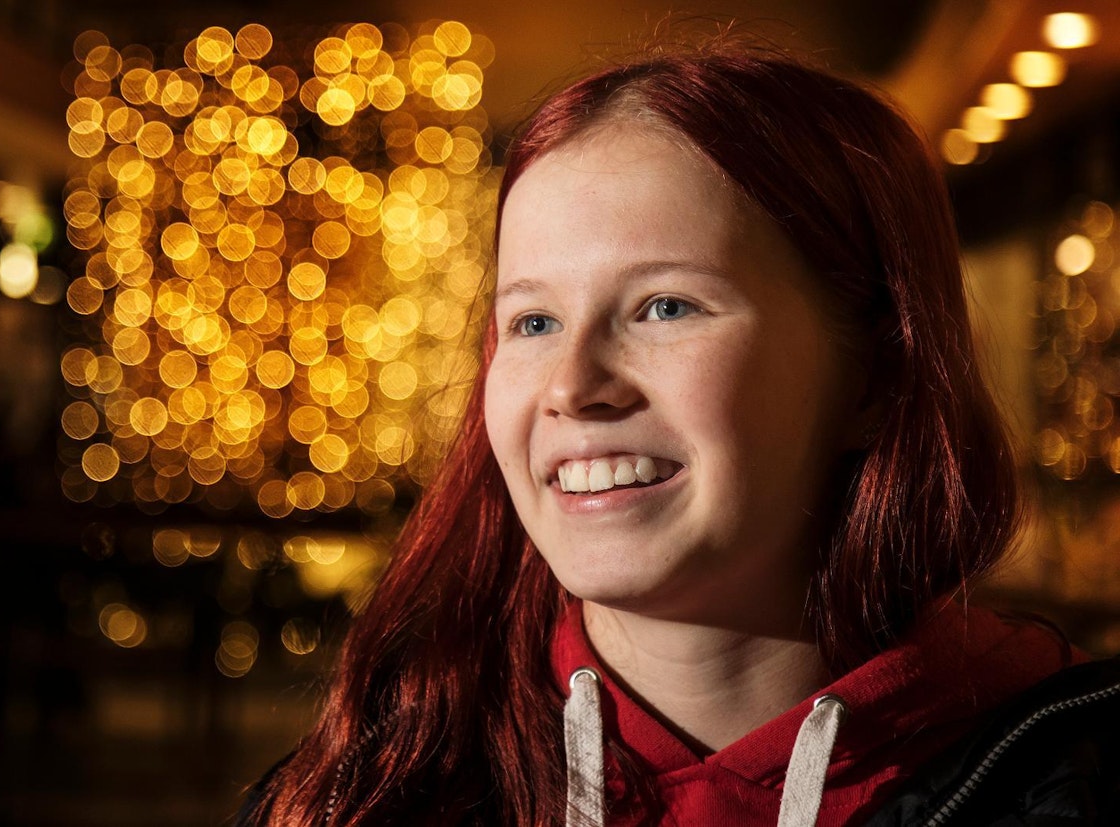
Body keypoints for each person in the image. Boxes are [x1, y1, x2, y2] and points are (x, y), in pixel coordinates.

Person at [236, 41, 1120, 826]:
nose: (573, 387)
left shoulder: (1073, 773)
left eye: (665, 307)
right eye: (534, 321)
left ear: (876, 377)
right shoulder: (362, 791)